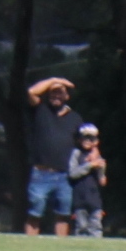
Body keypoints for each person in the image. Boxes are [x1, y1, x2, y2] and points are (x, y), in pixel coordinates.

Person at [22, 78, 84, 237]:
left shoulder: (75, 118)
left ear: (67, 97)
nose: (56, 95)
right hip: (40, 173)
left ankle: (59, 248)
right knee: (34, 214)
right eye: (52, 92)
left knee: (63, 215)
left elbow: (84, 144)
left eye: (60, 92)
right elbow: (31, 92)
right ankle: (30, 247)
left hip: (64, 175)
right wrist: (54, 80)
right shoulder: (40, 110)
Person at [66, 124, 107, 238]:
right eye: (85, 137)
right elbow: (73, 173)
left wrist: (100, 167)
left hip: (94, 198)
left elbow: (102, 180)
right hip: (80, 197)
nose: (88, 141)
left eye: (91, 138)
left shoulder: (97, 157)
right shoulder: (76, 153)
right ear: (79, 139)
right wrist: (89, 165)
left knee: (96, 227)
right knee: (81, 227)